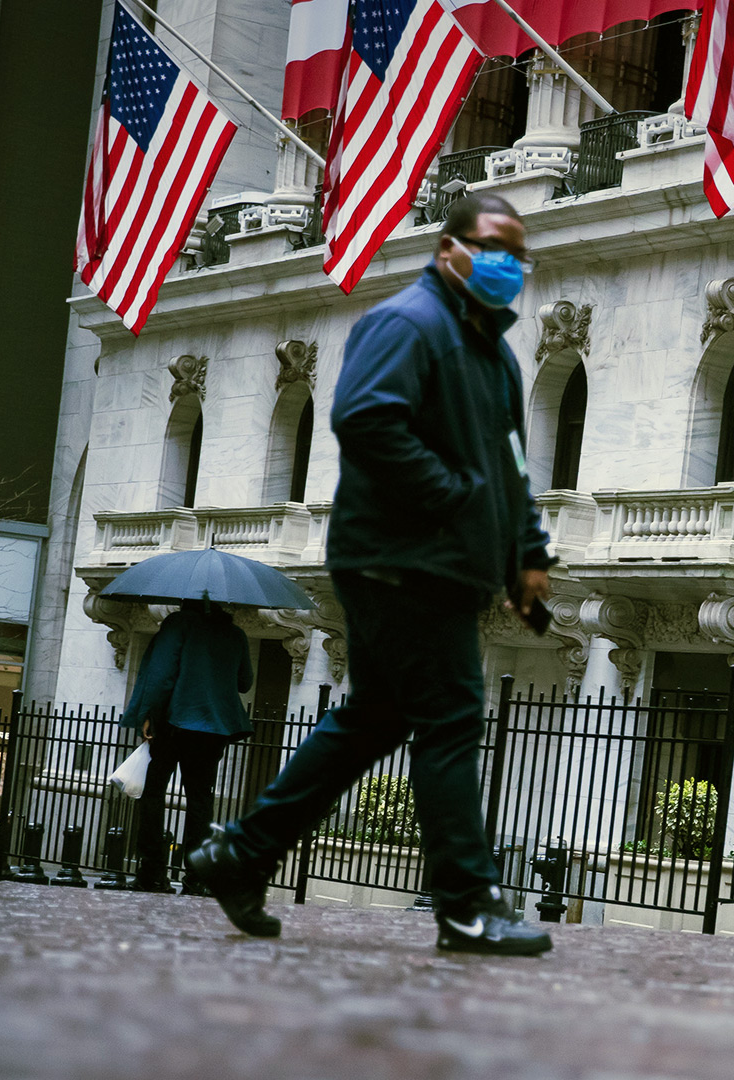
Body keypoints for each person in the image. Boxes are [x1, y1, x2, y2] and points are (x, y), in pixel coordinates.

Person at [187, 192, 555, 956]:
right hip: (399, 561)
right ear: (450, 249)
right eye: (495, 248)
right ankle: (467, 904)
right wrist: (454, 497)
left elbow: (513, 465)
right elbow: (365, 419)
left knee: (376, 720)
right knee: (451, 720)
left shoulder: (495, 355)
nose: (510, 265)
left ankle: (241, 854)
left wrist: (528, 555)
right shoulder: (407, 323)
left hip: (444, 564)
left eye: (519, 255)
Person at [120, 600, 255, 894]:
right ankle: (196, 879)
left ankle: (152, 873)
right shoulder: (235, 633)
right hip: (213, 729)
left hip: (174, 722)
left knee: (153, 793)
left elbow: (161, 676)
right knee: (200, 800)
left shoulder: (179, 624)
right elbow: (244, 682)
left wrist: (149, 715)